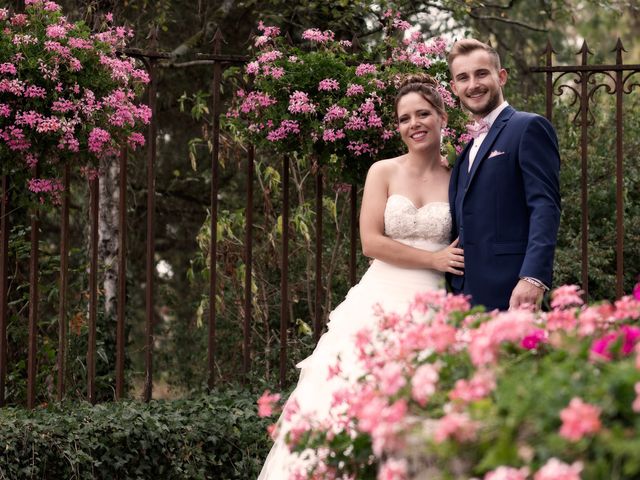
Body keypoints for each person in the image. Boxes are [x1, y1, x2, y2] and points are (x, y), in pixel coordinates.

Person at [258, 74, 464, 479]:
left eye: (423, 114)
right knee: (347, 396)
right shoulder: (382, 171)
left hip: (430, 305)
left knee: (415, 408)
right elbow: (371, 242)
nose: (414, 124)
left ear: (441, 116)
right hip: (379, 296)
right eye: (405, 118)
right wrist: (435, 259)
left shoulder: (457, 175)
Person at [447, 39, 561, 311]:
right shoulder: (464, 150)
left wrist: (533, 278)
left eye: (481, 73)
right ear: (454, 88)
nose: (473, 84)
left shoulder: (528, 127)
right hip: (465, 294)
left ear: (501, 76)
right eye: (463, 77)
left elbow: (545, 205)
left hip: (512, 290)